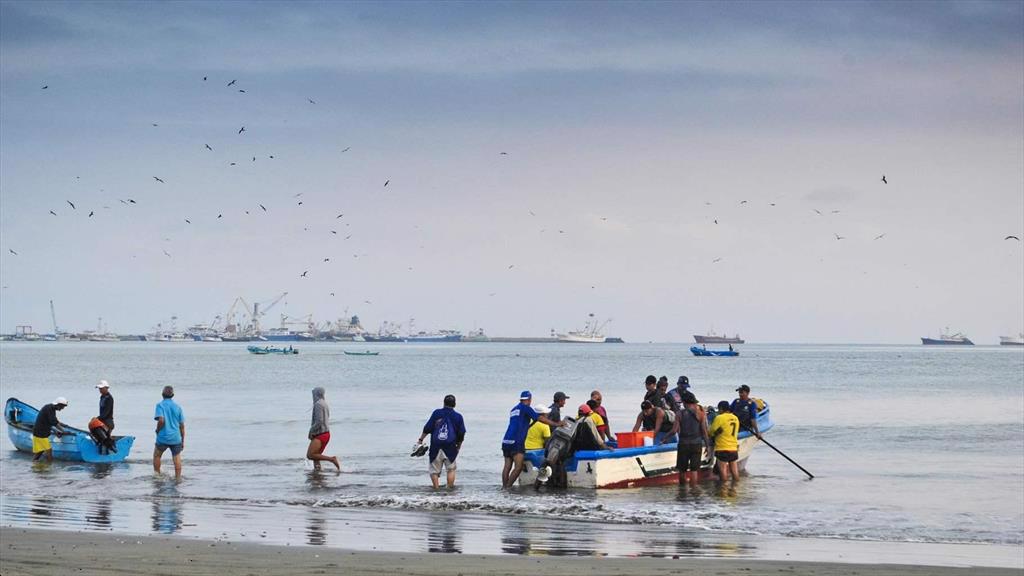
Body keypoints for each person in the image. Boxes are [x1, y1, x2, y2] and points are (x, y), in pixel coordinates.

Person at [501, 390, 563, 488]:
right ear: (529, 399)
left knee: (507, 467)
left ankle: (504, 487)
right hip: (516, 442)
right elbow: (540, 418)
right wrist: (556, 424)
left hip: (506, 440)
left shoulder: (513, 410)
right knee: (518, 467)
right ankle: (507, 488)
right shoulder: (526, 408)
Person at [416, 394, 466, 489]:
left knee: (434, 470)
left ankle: (436, 489)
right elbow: (461, 433)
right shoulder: (458, 416)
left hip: (436, 445)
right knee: (451, 469)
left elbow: (427, 428)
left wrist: (420, 440)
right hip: (450, 446)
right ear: (454, 404)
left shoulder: (436, 413)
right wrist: (459, 446)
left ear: (444, 403)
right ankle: (449, 490)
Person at [676, 391, 710, 486]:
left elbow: (675, 430)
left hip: (683, 444)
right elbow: (704, 432)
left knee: (682, 470)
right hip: (696, 444)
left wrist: (665, 438)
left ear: (684, 402)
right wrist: (707, 446)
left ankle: (682, 491)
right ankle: (693, 491)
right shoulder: (701, 414)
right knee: (694, 470)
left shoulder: (680, 414)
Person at [154, 386, 186, 478]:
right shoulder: (178, 407)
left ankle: (157, 476)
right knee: (176, 458)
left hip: (163, 437)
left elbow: (161, 420)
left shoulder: (160, 405)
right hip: (176, 437)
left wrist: (157, 430)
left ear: (162, 395)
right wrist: (183, 441)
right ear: (173, 395)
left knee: (157, 455)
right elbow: (182, 426)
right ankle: (178, 478)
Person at [307, 387, 341, 472]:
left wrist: (311, 432)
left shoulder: (318, 404)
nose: (313, 396)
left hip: (320, 434)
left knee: (310, 455)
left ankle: (332, 459)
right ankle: (317, 473)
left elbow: (319, 421)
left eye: (313, 394)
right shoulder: (324, 404)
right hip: (326, 433)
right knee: (316, 456)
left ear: (316, 394)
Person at [709, 400, 740, 481]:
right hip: (733, 448)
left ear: (721, 409)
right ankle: (735, 487)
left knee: (723, 471)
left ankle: (724, 489)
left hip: (722, 448)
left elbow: (711, 432)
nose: (719, 412)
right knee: (734, 470)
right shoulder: (735, 418)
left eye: (719, 410)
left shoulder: (719, 418)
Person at [32, 397, 68, 462]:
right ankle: (49, 467)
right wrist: (63, 430)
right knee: (49, 450)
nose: (62, 408)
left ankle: (34, 463)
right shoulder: (50, 409)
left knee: (40, 450)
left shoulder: (50, 408)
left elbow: (53, 421)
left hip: (39, 432)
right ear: (58, 405)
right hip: (41, 433)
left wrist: (63, 425)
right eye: (62, 407)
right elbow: (54, 422)